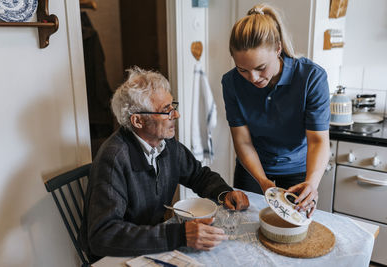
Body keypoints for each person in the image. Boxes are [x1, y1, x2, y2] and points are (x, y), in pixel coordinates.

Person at [79, 67, 249, 260]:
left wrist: (224, 193)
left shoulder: (167, 144)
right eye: (166, 110)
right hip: (116, 255)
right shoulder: (113, 158)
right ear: (138, 121)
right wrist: (179, 234)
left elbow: (198, 175)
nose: (176, 115)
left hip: (153, 239)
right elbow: (103, 236)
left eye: (172, 106)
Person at [221, 3, 330, 217]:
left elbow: (318, 140)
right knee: (245, 226)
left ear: (278, 49)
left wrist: (311, 183)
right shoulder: (231, 82)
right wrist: (262, 181)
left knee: (294, 228)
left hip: (298, 170)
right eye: (243, 69)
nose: (252, 78)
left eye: (261, 68)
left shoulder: (311, 78)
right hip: (252, 170)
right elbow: (242, 141)